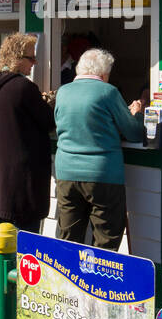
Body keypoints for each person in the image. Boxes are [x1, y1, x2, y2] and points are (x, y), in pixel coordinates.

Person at [0, 33, 54, 307]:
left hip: (0, 170)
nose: (34, 62)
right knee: (26, 234)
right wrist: (48, 103)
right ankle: (22, 296)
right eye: (30, 57)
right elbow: (47, 121)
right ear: (16, 57)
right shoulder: (23, 88)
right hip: (24, 173)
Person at [53, 48, 145, 252]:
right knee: (106, 239)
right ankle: (100, 283)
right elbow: (133, 133)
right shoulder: (108, 92)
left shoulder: (63, 92)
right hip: (102, 175)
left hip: (66, 173)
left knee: (68, 237)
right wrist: (137, 114)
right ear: (104, 73)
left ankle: (68, 280)